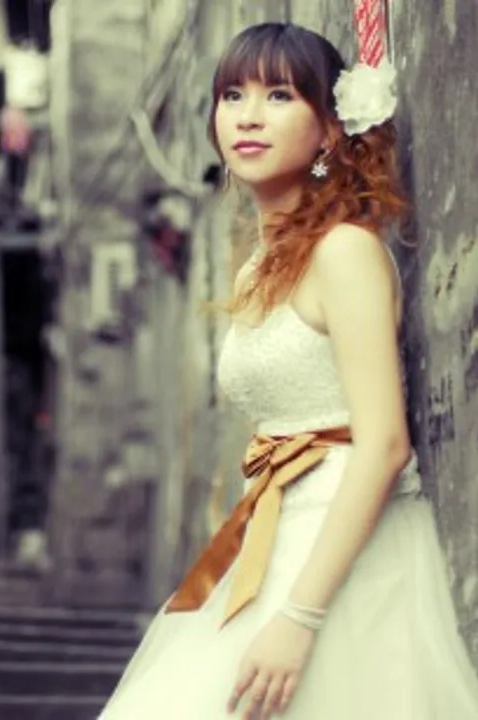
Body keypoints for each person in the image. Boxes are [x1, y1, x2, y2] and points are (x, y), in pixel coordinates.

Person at [98, 22, 478, 720]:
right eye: (232, 95)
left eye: (279, 95)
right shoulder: (258, 269)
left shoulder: (344, 252)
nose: (248, 115)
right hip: (275, 538)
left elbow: (385, 444)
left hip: (350, 554)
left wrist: (300, 617)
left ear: (330, 131)